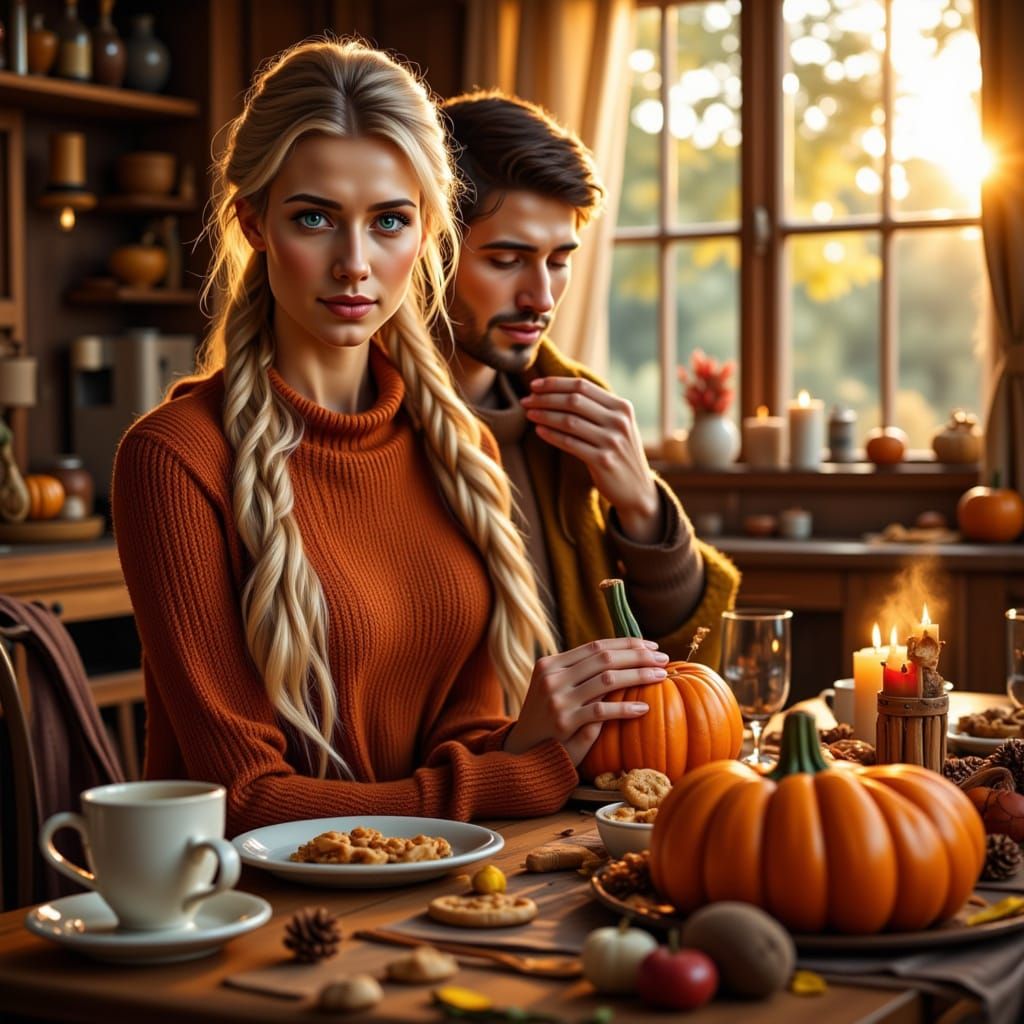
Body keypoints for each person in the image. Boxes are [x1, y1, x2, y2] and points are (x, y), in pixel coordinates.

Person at [112, 39, 670, 835]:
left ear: (427, 233)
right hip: (260, 901)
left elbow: (460, 739)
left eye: (388, 222)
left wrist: (525, 736)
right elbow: (244, 801)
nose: (354, 263)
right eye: (314, 218)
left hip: (442, 882)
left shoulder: (460, 451)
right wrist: (515, 773)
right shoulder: (175, 459)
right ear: (254, 223)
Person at [439, 90, 740, 666]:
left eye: (559, 261)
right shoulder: (364, 421)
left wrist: (643, 507)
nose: (541, 297)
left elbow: (689, 660)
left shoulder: (577, 414)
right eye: (506, 260)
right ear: (429, 251)